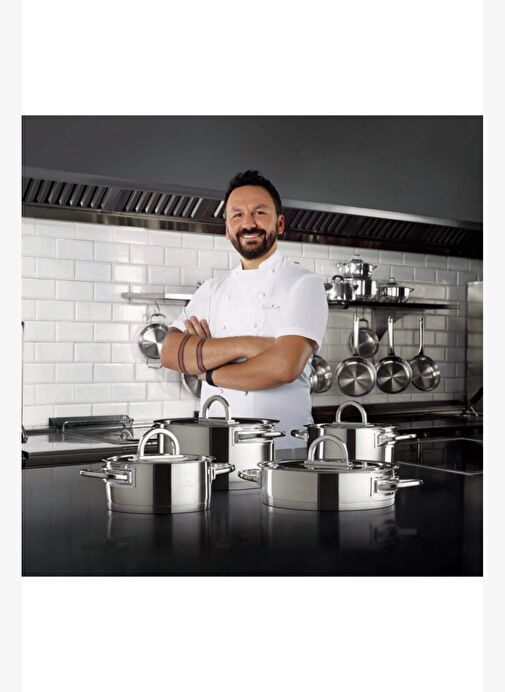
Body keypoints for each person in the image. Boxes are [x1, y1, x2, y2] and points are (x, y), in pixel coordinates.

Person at [160, 170, 328, 448]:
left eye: (259, 213)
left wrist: (208, 372)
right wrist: (248, 346)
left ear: (280, 223)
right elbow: (169, 353)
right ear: (227, 229)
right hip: (217, 446)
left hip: (282, 448)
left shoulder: (304, 284)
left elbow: (284, 367)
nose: (248, 223)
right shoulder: (212, 289)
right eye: (237, 215)